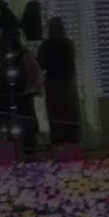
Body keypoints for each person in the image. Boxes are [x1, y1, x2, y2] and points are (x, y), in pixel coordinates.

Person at [36, 18, 82, 146]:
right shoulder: (69, 44)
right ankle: (73, 139)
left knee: (56, 112)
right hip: (68, 83)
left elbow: (40, 64)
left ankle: (58, 140)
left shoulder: (46, 46)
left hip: (52, 84)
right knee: (70, 111)